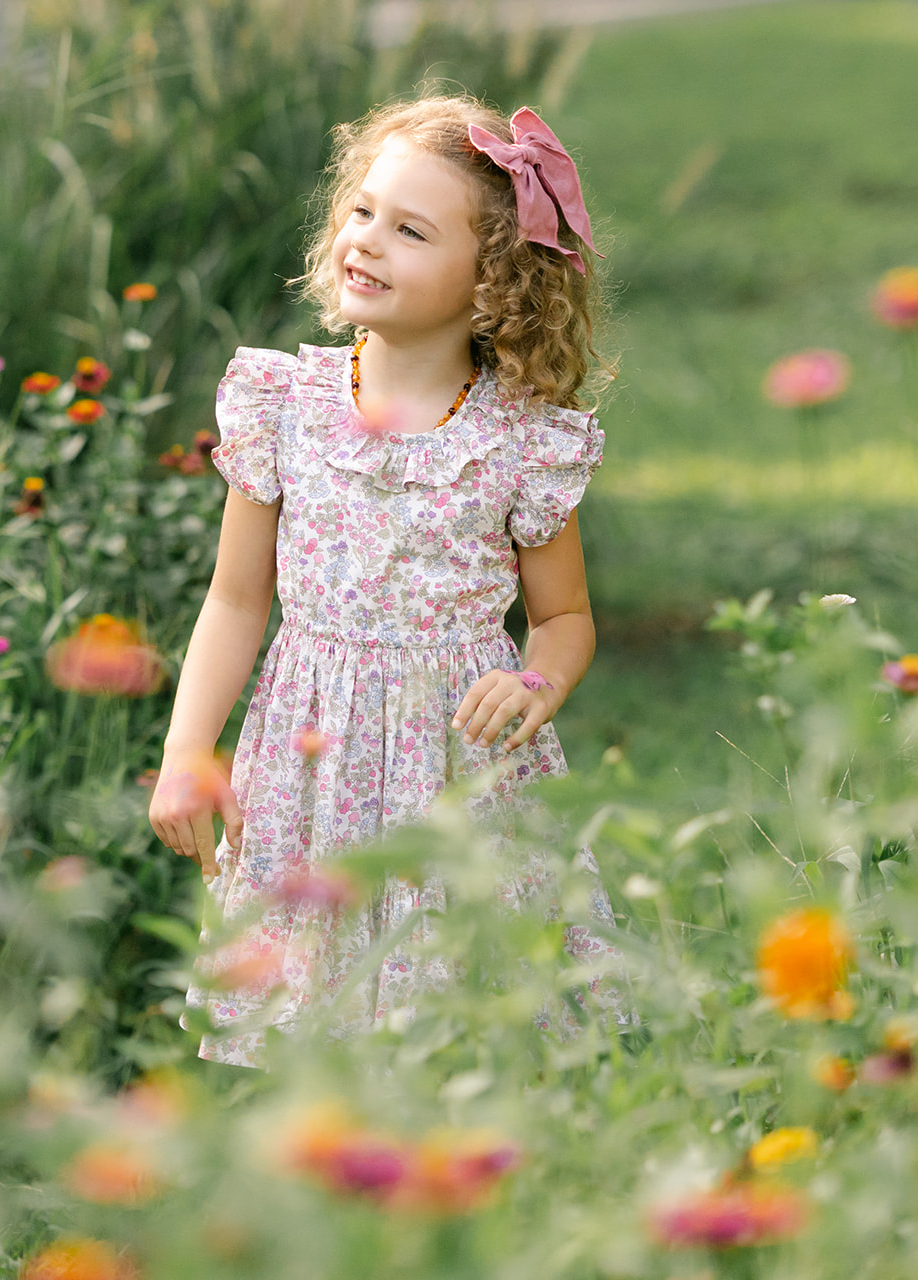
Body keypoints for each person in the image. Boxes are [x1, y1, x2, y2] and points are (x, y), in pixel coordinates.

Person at [149, 93, 625, 1069]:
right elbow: (237, 598)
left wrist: (538, 679)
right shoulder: (286, 403)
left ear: (494, 278)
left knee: (467, 1025)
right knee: (313, 1032)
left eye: (409, 230)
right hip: (307, 766)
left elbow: (564, 617)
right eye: (363, 211)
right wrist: (187, 749)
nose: (367, 240)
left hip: (456, 768)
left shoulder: (519, 438)